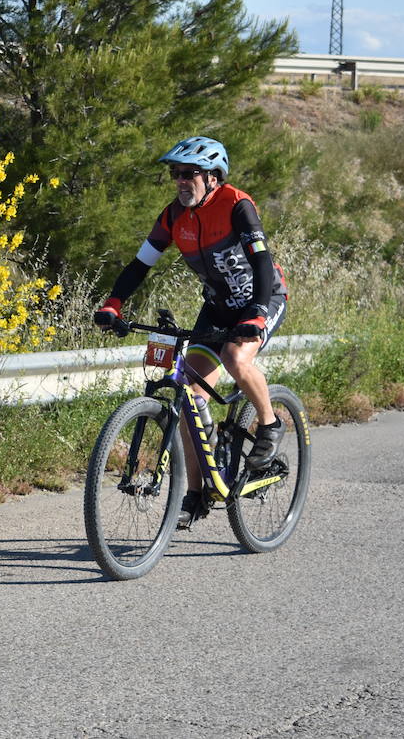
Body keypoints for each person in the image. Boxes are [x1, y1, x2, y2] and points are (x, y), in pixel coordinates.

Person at [93, 136, 289, 527]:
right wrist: (114, 302)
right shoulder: (173, 216)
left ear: (213, 178)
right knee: (188, 395)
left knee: (236, 357)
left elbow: (263, 263)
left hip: (263, 299)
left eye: (189, 174)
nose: (181, 181)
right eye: (176, 174)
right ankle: (198, 493)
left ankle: (269, 425)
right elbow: (139, 266)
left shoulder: (237, 205)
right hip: (216, 308)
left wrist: (255, 314)